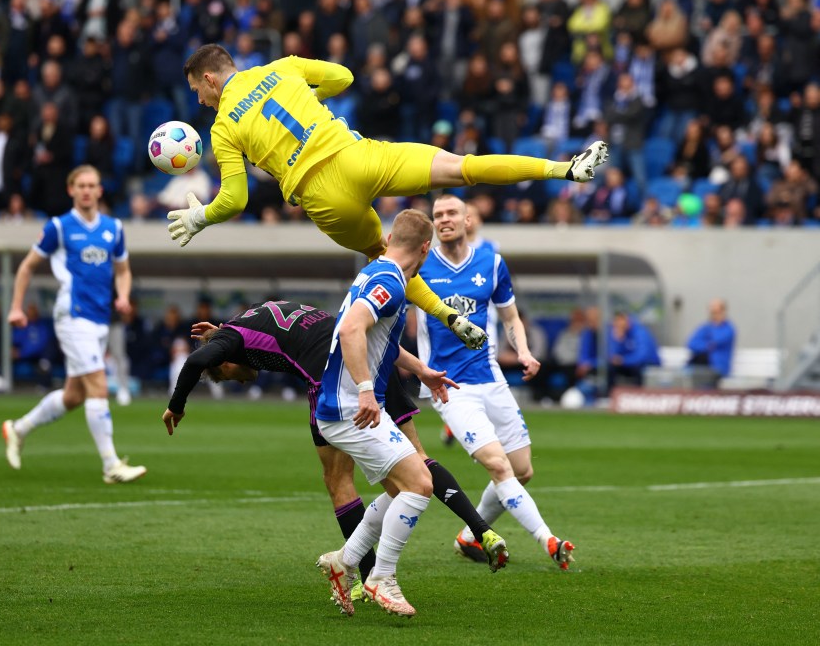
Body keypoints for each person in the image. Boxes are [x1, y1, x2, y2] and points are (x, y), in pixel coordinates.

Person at [168, 44, 609, 352]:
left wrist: (201, 217)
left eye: (197, 91)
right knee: (462, 167)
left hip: (324, 199)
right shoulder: (280, 68)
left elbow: (235, 199)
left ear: (209, 78)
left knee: (387, 256)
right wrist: (308, 95)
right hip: (358, 157)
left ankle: (448, 317)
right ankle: (565, 168)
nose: (201, 100)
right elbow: (344, 77)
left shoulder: (223, 127)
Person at [161, 296, 509, 603]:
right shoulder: (249, 317)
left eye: (232, 377)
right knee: (417, 459)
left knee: (340, 479)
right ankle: (481, 530)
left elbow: (195, 362)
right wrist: (420, 368)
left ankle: (365, 575)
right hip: (372, 355)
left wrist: (177, 405)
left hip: (337, 380)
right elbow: (268, 330)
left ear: (223, 362)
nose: (242, 379)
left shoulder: (229, 340)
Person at [416, 194, 575, 570]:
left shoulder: (492, 262)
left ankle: (468, 537)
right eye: (437, 215)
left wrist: (523, 351)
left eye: (451, 213)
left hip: (490, 376)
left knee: (523, 470)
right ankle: (548, 540)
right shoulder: (419, 267)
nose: (444, 220)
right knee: (499, 467)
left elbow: (510, 317)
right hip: (449, 386)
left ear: (468, 219)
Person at [313, 209, 456, 617]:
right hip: (347, 408)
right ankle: (381, 578)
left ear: (392, 236)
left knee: (401, 488)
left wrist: (422, 370)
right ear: (426, 249)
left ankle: (345, 561)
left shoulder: (377, 272)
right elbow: (350, 329)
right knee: (420, 484)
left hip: (340, 405)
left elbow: (378, 339)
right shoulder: (391, 283)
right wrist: (364, 391)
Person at [1, 165, 146, 484]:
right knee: (98, 383)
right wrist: (16, 307)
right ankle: (111, 465)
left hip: (99, 319)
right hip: (71, 313)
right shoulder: (59, 227)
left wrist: (123, 296)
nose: (86, 190)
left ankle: (18, 428)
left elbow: (123, 270)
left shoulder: (114, 228)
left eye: (91, 185)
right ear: (71, 190)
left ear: (99, 191)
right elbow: (26, 268)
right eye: (80, 185)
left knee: (74, 396)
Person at [686, 298, 736, 380]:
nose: (714, 315)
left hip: (718, 369)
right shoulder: (705, 327)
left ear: (723, 312)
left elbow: (718, 340)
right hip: (702, 366)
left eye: (716, 312)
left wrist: (707, 341)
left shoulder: (729, 329)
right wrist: (707, 345)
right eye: (712, 312)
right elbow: (691, 343)